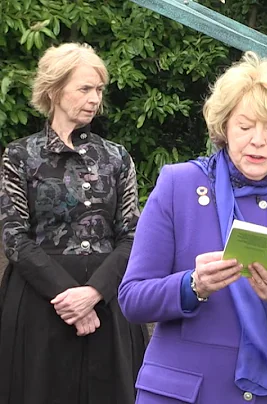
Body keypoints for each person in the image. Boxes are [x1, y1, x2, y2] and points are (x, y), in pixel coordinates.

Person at [118, 52, 267, 404]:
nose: (258, 140)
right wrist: (193, 285)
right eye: (245, 126)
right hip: (182, 394)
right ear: (224, 128)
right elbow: (132, 299)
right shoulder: (179, 185)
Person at [0, 43, 147, 404]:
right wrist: (69, 299)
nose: (94, 98)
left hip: (109, 305)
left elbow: (132, 235)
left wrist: (93, 294)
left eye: (98, 89)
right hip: (39, 305)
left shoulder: (117, 158)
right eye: (84, 88)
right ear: (54, 90)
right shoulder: (19, 157)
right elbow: (14, 237)